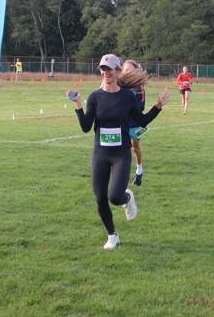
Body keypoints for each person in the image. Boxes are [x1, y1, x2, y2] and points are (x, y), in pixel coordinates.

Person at [72, 54, 170, 249]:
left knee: (115, 197)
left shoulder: (127, 96)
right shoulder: (95, 97)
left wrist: (158, 106)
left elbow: (141, 120)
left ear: (117, 71)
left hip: (121, 154)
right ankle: (112, 236)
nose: (105, 72)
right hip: (100, 153)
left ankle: (128, 198)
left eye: (109, 69)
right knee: (100, 198)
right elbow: (85, 127)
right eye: (102, 69)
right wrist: (78, 105)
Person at [120, 59, 149, 186]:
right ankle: (120, 175)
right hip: (121, 123)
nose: (126, 72)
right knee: (120, 149)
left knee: (135, 148)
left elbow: (141, 107)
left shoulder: (139, 88)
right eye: (125, 69)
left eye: (129, 70)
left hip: (133, 124)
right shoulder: (118, 85)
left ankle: (139, 171)